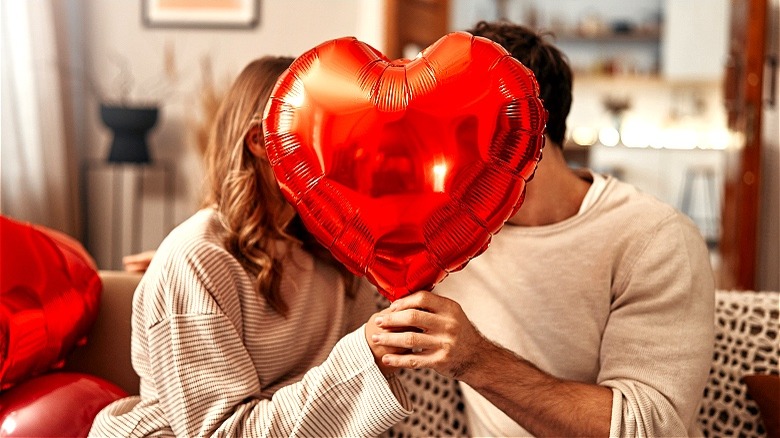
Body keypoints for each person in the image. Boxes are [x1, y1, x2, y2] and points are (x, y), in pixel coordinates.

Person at [371, 21, 716, 437]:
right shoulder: (442, 229)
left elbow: (648, 428)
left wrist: (477, 360)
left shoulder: (654, 237)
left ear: (530, 124)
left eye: (463, 123)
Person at [89, 56, 412, 437]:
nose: (343, 148)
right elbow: (222, 433)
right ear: (260, 141)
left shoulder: (335, 256)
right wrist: (364, 358)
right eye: (321, 128)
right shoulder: (196, 259)